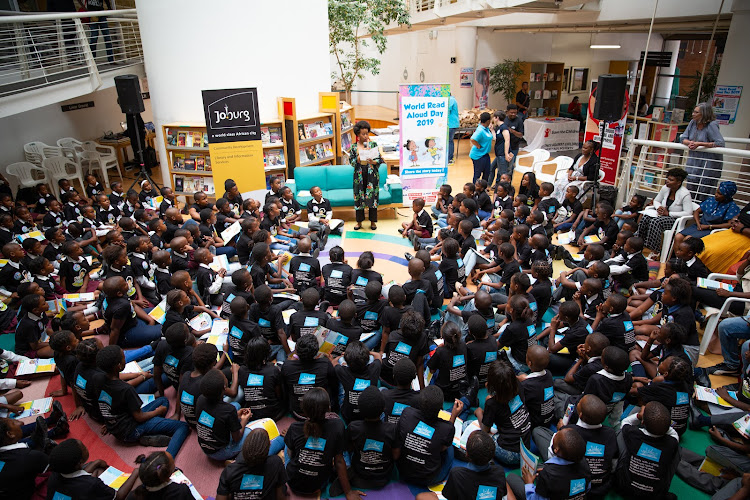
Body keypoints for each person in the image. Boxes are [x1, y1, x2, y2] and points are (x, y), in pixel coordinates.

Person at [637, 167, 693, 255]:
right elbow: (656, 200)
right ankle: (639, 244)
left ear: (678, 182)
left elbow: (688, 213)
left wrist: (669, 213)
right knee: (645, 218)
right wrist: (658, 207)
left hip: (675, 220)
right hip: (661, 215)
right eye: (668, 178)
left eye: (671, 180)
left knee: (655, 222)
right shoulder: (665, 188)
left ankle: (654, 251)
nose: (667, 181)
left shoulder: (685, 194)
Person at [674, 181, 740, 251]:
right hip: (700, 226)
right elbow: (697, 211)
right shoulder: (711, 200)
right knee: (678, 237)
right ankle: (677, 259)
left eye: (720, 194)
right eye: (717, 192)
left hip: (712, 230)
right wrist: (698, 223)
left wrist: (710, 226)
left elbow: (729, 224)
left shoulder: (731, 207)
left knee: (688, 239)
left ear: (727, 196)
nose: (716, 195)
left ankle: (685, 260)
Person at [682, 102, 726, 201]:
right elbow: (683, 137)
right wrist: (690, 143)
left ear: (704, 114)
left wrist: (700, 144)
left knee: (705, 191)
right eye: (694, 111)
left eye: (696, 112)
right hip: (694, 163)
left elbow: (720, 143)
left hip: (708, 164)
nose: (693, 114)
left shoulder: (711, 125)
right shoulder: (692, 123)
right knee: (691, 190)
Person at [348, 120, 381, 230]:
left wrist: (374, 161)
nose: (366, 136)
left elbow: (380, 159)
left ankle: (373, 222)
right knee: (358, 197)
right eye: (363, 134)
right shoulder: (353, 147)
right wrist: (357, 159)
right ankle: (359, 222)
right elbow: (351, 162)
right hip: (359, 175)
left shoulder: (373, 144)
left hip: (372, 174)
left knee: (373, 198)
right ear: (358, 135)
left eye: (367, 133)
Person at [489, 110, 513, 187]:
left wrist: (506, 154)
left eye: (494, 117)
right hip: (499, 154)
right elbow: (496, 138)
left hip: (502, 155)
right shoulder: (498, 128)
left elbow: (507, 140)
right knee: (492, 168)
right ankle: (489, 185)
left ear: (497, 118)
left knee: (503, 173)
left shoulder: (504, 128)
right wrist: (492, 130)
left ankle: (505, 188)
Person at [469, 112, 493, 183]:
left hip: (485, 154)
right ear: (488, 121)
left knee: (487, 172)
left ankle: (483, 188)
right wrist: (478, 146)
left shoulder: (486, 128)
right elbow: (473, 139)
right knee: (477, 174)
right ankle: (475, 189)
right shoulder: (480, 130)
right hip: (478, 155)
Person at [448, 93, 459, 164]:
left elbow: (447, 109)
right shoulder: (452, 99)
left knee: (449, 141)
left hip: (451, 124)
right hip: (451, 124)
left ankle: (449, 158)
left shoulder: (451, 100)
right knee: (449, 141)